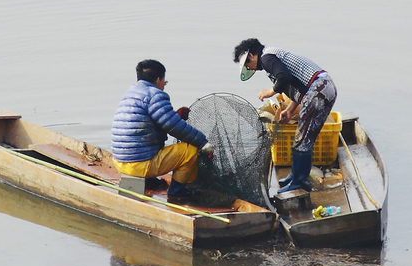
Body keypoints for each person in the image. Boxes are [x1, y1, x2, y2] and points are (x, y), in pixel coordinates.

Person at [233, 38, 336, 193]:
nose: (250, 68)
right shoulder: (271, 54)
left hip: (317, 91)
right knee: (304, 138)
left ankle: (299, 181)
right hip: (322, 88)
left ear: (252, 56)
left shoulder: (266, 58)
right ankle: (296, 176)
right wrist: (289, 110)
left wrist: (270, 91)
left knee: (302, 139)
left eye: (248, 65)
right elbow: (299, 85)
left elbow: (283, 77)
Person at [110, 59, 213, 203]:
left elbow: (150, 123)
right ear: (159, 79)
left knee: (148, 144)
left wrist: (176, 116)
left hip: (120, 162)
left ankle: (149, 180)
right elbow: (173, 126)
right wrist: (202, 143)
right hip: (139, 165)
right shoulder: (155, 95)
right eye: (164, 81)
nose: (164, 85)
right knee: (189, 150)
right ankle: (177, 192)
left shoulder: (132, 91)